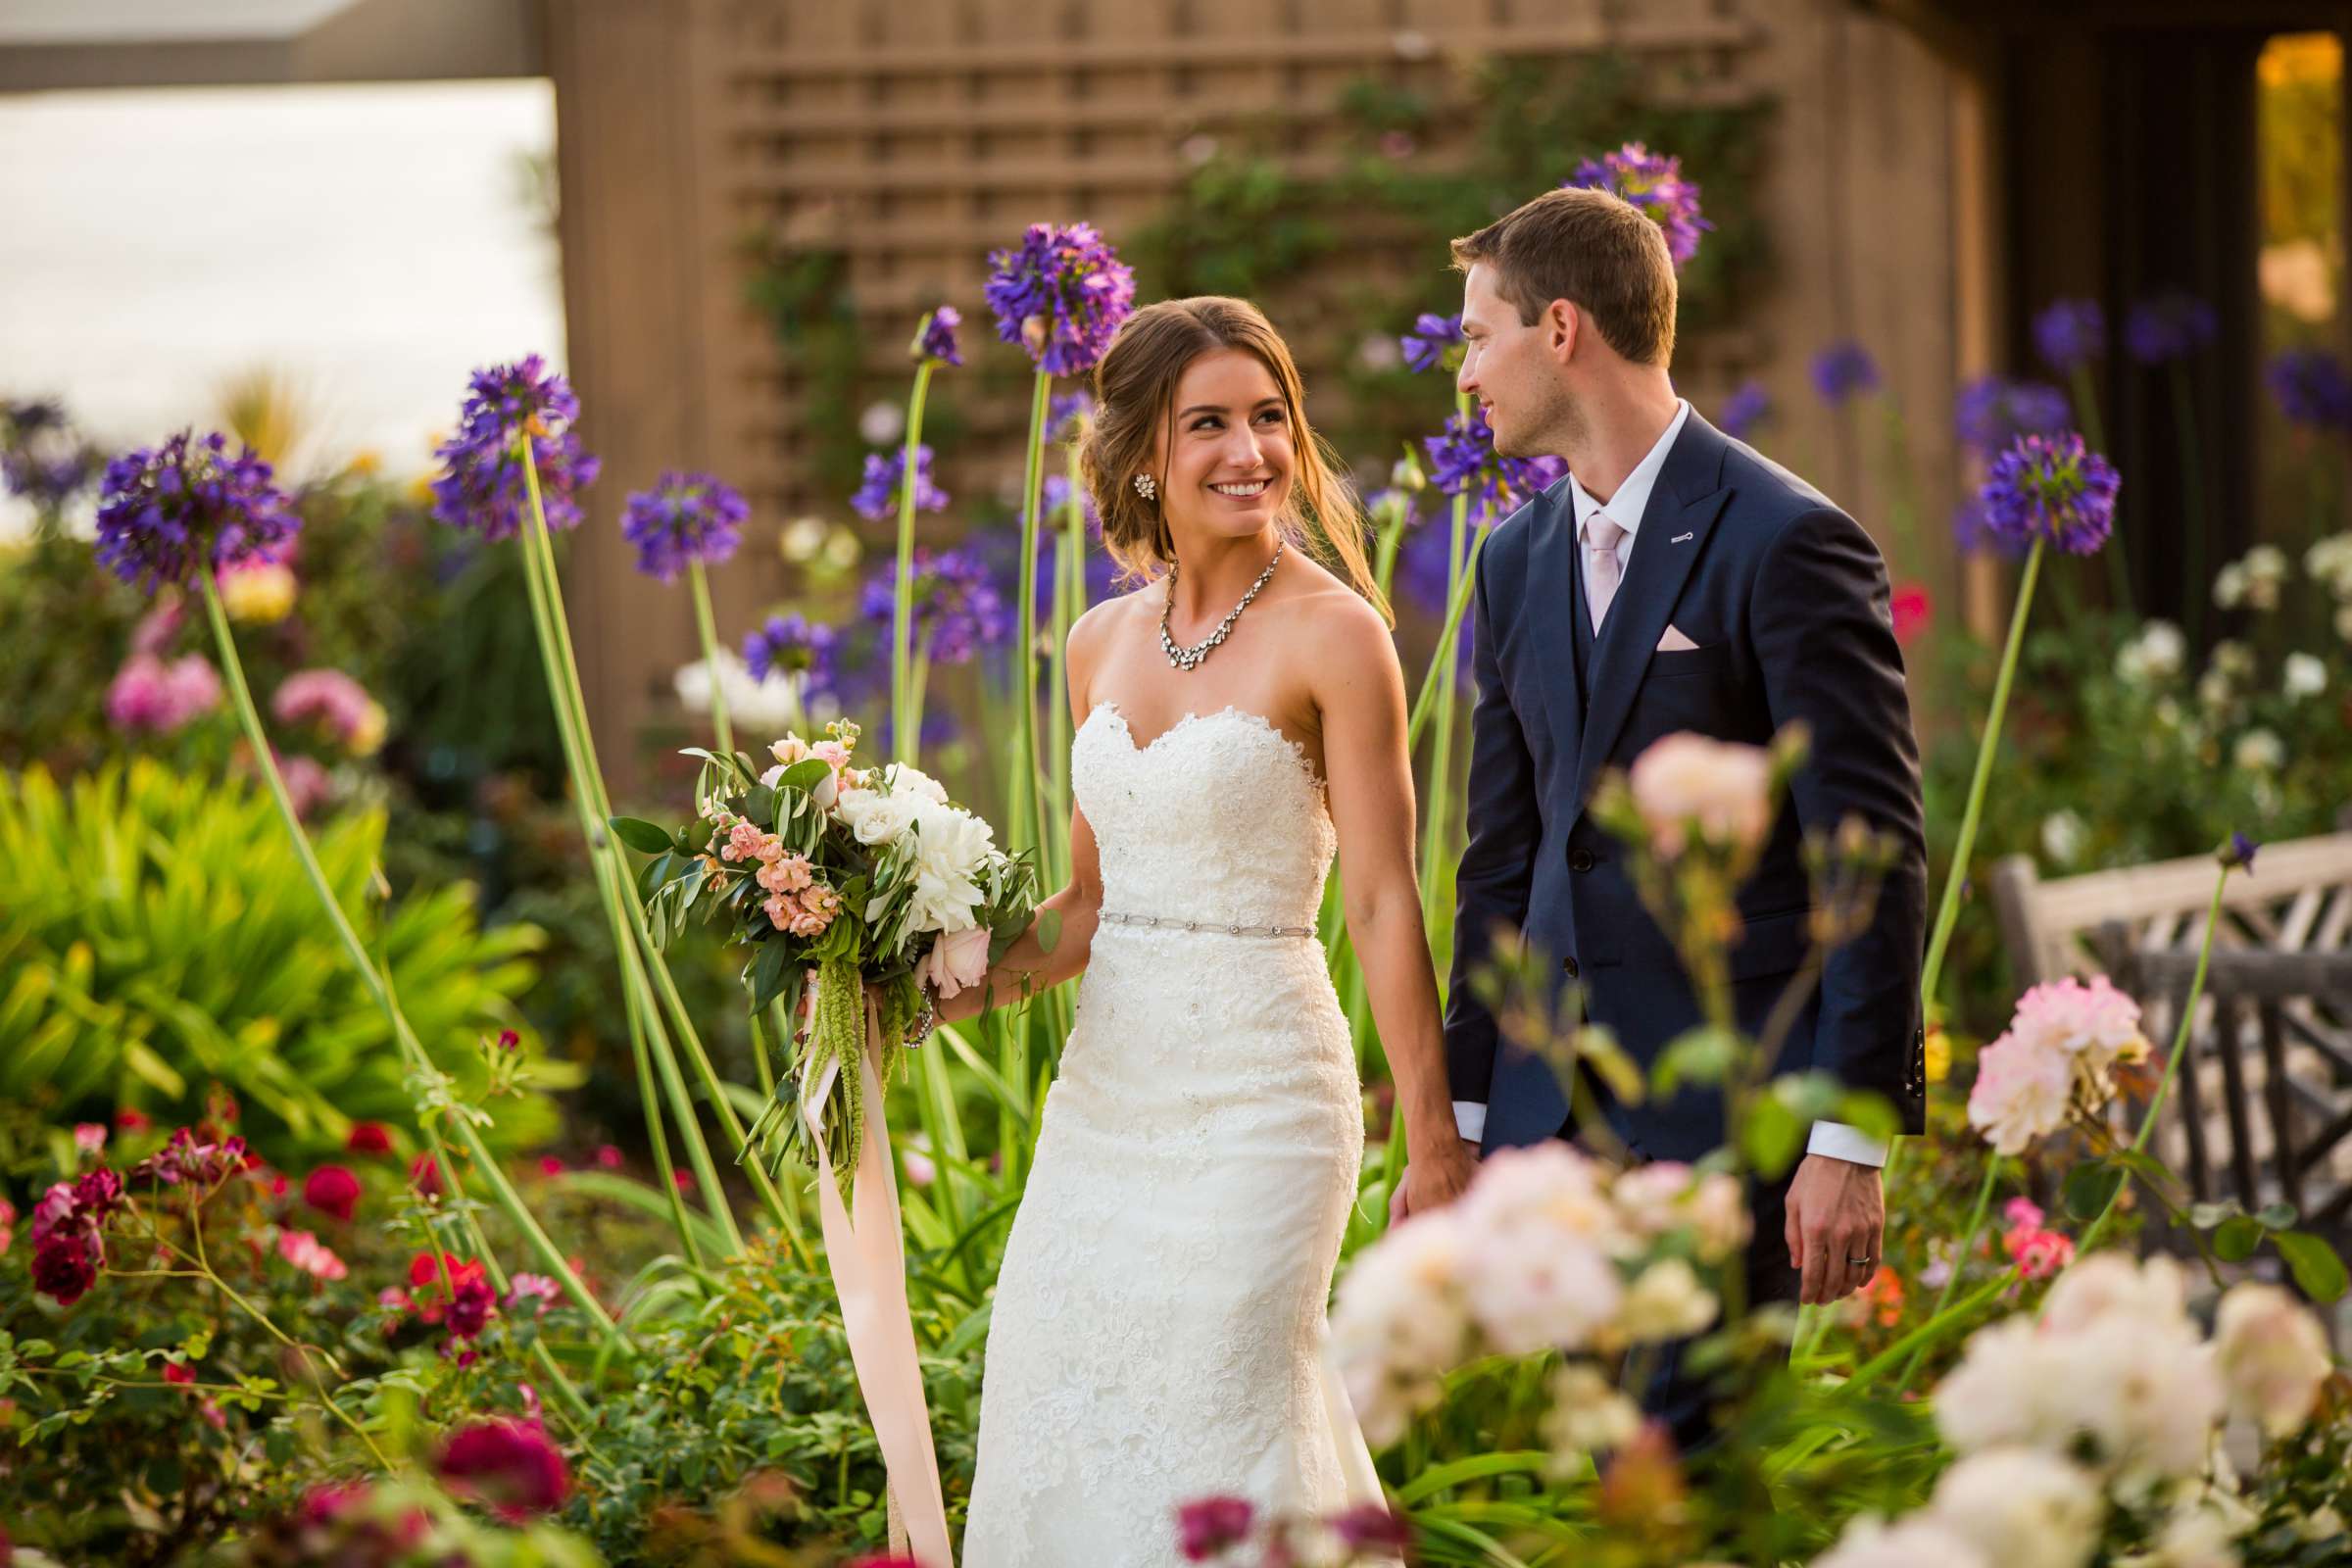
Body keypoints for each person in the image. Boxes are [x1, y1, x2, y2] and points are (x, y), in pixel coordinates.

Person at [1394, 185, 1931, 1451]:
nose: (1463, 372)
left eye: (1478, 337)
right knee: (1602, 1496)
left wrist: (1850, 1137)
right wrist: (1462, 1125)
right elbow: (1504, 861)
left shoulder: (1792, 542)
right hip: (1550, 1137)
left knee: (1690, 1493)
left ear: (1561, 329)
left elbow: (1876, 849)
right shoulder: (1513, 561)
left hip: (1730, 1123)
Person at [949, 296, 1465, 1564]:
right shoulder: (1093, 645)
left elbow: (1387, 899)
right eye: (1210, 424)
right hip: (1106, 1111)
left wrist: (1437, 1136)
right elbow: (1083, 910)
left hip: (1266, 1107)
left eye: (1271, 416)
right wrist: (925, 982)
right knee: (1058, 1415)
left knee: (1222, 1431)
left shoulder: (1339, 634)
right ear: (1143, 456)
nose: (1252, 450)